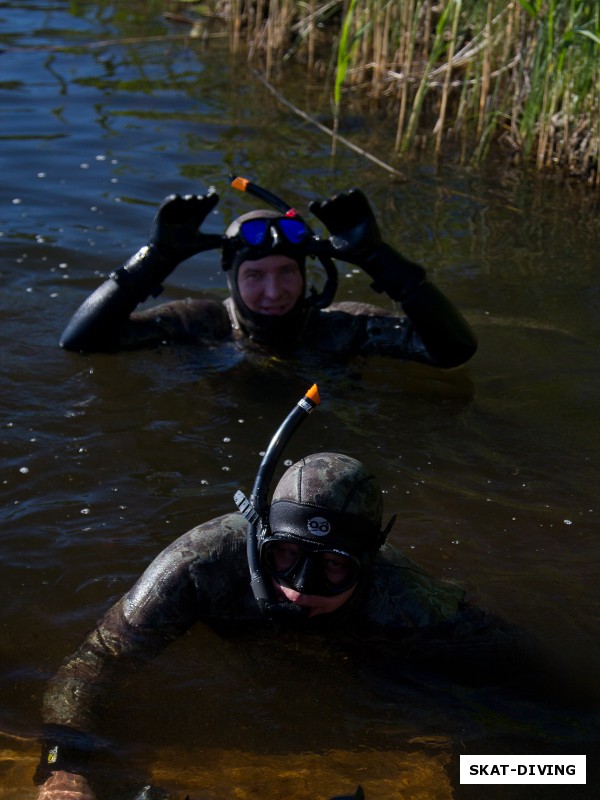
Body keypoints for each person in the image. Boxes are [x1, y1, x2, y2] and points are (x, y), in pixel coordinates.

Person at [33, 435, 538, 800]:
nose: (298, 591)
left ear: (371, 563)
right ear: (259, 540)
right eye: (283, 558)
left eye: (335, 568)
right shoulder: (200, 564)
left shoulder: (409, 603)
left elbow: (521, 684)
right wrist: (64, 769)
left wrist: (502, 771)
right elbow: (94, 664)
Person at [59, 180, 477, 368]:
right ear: (231, 278)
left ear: (306, 272)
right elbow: (82, 343)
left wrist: (381, 259)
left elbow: (452, 351)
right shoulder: (199, 323)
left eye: (286, 273)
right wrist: (153, 260)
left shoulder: (343, 326)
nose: (274, 291)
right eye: (255, 276)